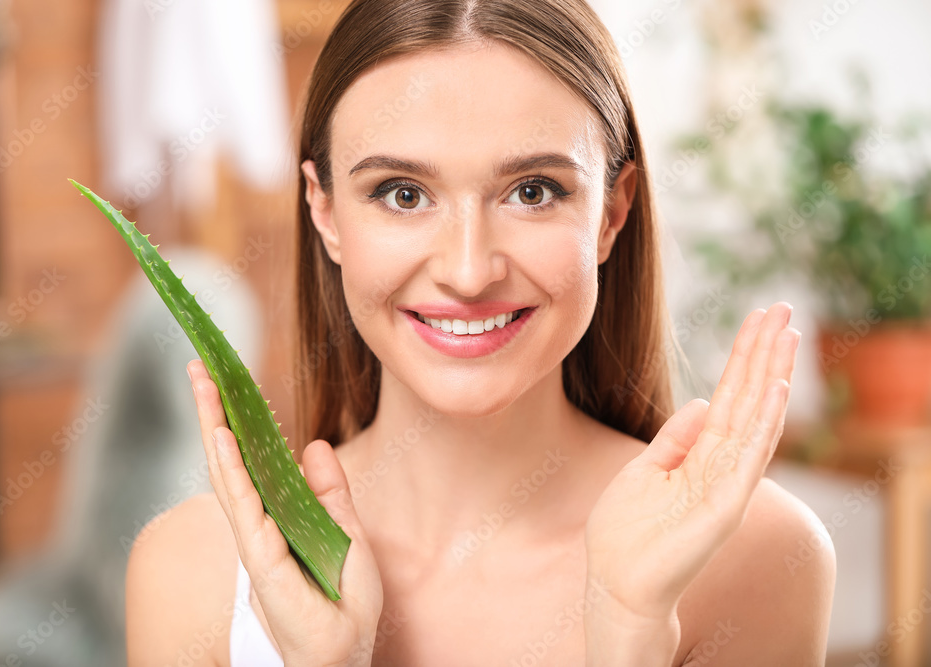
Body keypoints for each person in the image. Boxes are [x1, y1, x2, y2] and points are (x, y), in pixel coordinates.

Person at [124, 0, 836, 664]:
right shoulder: (193, 572)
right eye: (402, 194)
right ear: (326, 211)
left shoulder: (757, 555)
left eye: (533, 191)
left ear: (612, 215)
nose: (468, 272)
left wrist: (629, 633)